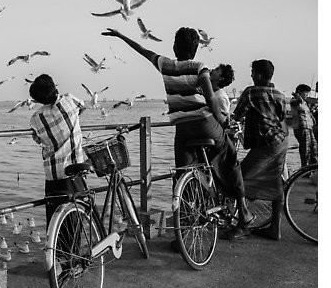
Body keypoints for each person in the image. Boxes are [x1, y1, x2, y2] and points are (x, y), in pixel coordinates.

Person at [102, 27, 253, 239]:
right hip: (204, 123)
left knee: (182, 174)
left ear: (174, 46)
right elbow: (210, 100)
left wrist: (120, 35)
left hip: (182, 128)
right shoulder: (200, 67)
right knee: (230, 157)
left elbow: (141, 49)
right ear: (196, 49)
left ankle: (185, 233)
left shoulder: (164, 64)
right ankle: (244, 213)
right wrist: (223, 121)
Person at [232, 59, 288, 240]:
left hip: (267, 145)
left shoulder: (251, 92)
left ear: (259, 75)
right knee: (275, 181)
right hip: (281, 142)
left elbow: (236, 116)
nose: (251, 76)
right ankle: (275, 229)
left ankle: (243, 224)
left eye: (253, 72)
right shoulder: (280, 95)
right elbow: (281, 118)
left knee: (238, 179)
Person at [29, 74, 87, 226]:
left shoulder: (36, 118)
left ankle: (55, 249)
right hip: (76, 171)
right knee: (75, 220)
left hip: (54, 177)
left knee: (56, 223)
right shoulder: (69, 100)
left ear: (38, 99)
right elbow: (83, 106)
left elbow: (38, 139)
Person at [289, 84, 317, 168]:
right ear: (300, 93)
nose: (306, 96)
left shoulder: (305, 103)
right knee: (305, 149)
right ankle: (305, 168)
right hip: (301, 128)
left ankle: (312, 167)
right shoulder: (294, 101)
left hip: (309, 128)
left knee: (314, 147)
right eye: (305, 94)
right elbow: (298, 102)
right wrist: (297, 96)